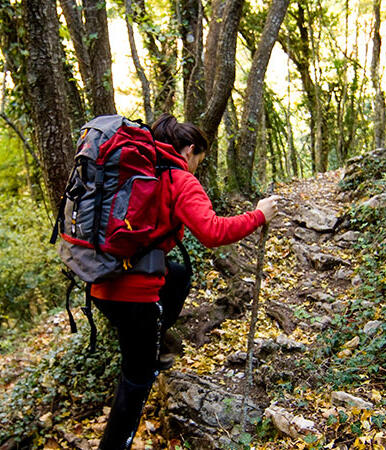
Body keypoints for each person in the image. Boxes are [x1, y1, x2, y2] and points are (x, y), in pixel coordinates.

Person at [88, 113, 280, 449]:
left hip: (99, 283)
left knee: (177, 274)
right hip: (134, 295)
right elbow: (212, 232)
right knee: (137, 379)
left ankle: (155, 341)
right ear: (190, 150)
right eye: (198, 161)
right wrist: (259, 215)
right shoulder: (179, 178)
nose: (195, 169)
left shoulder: (136, 170)